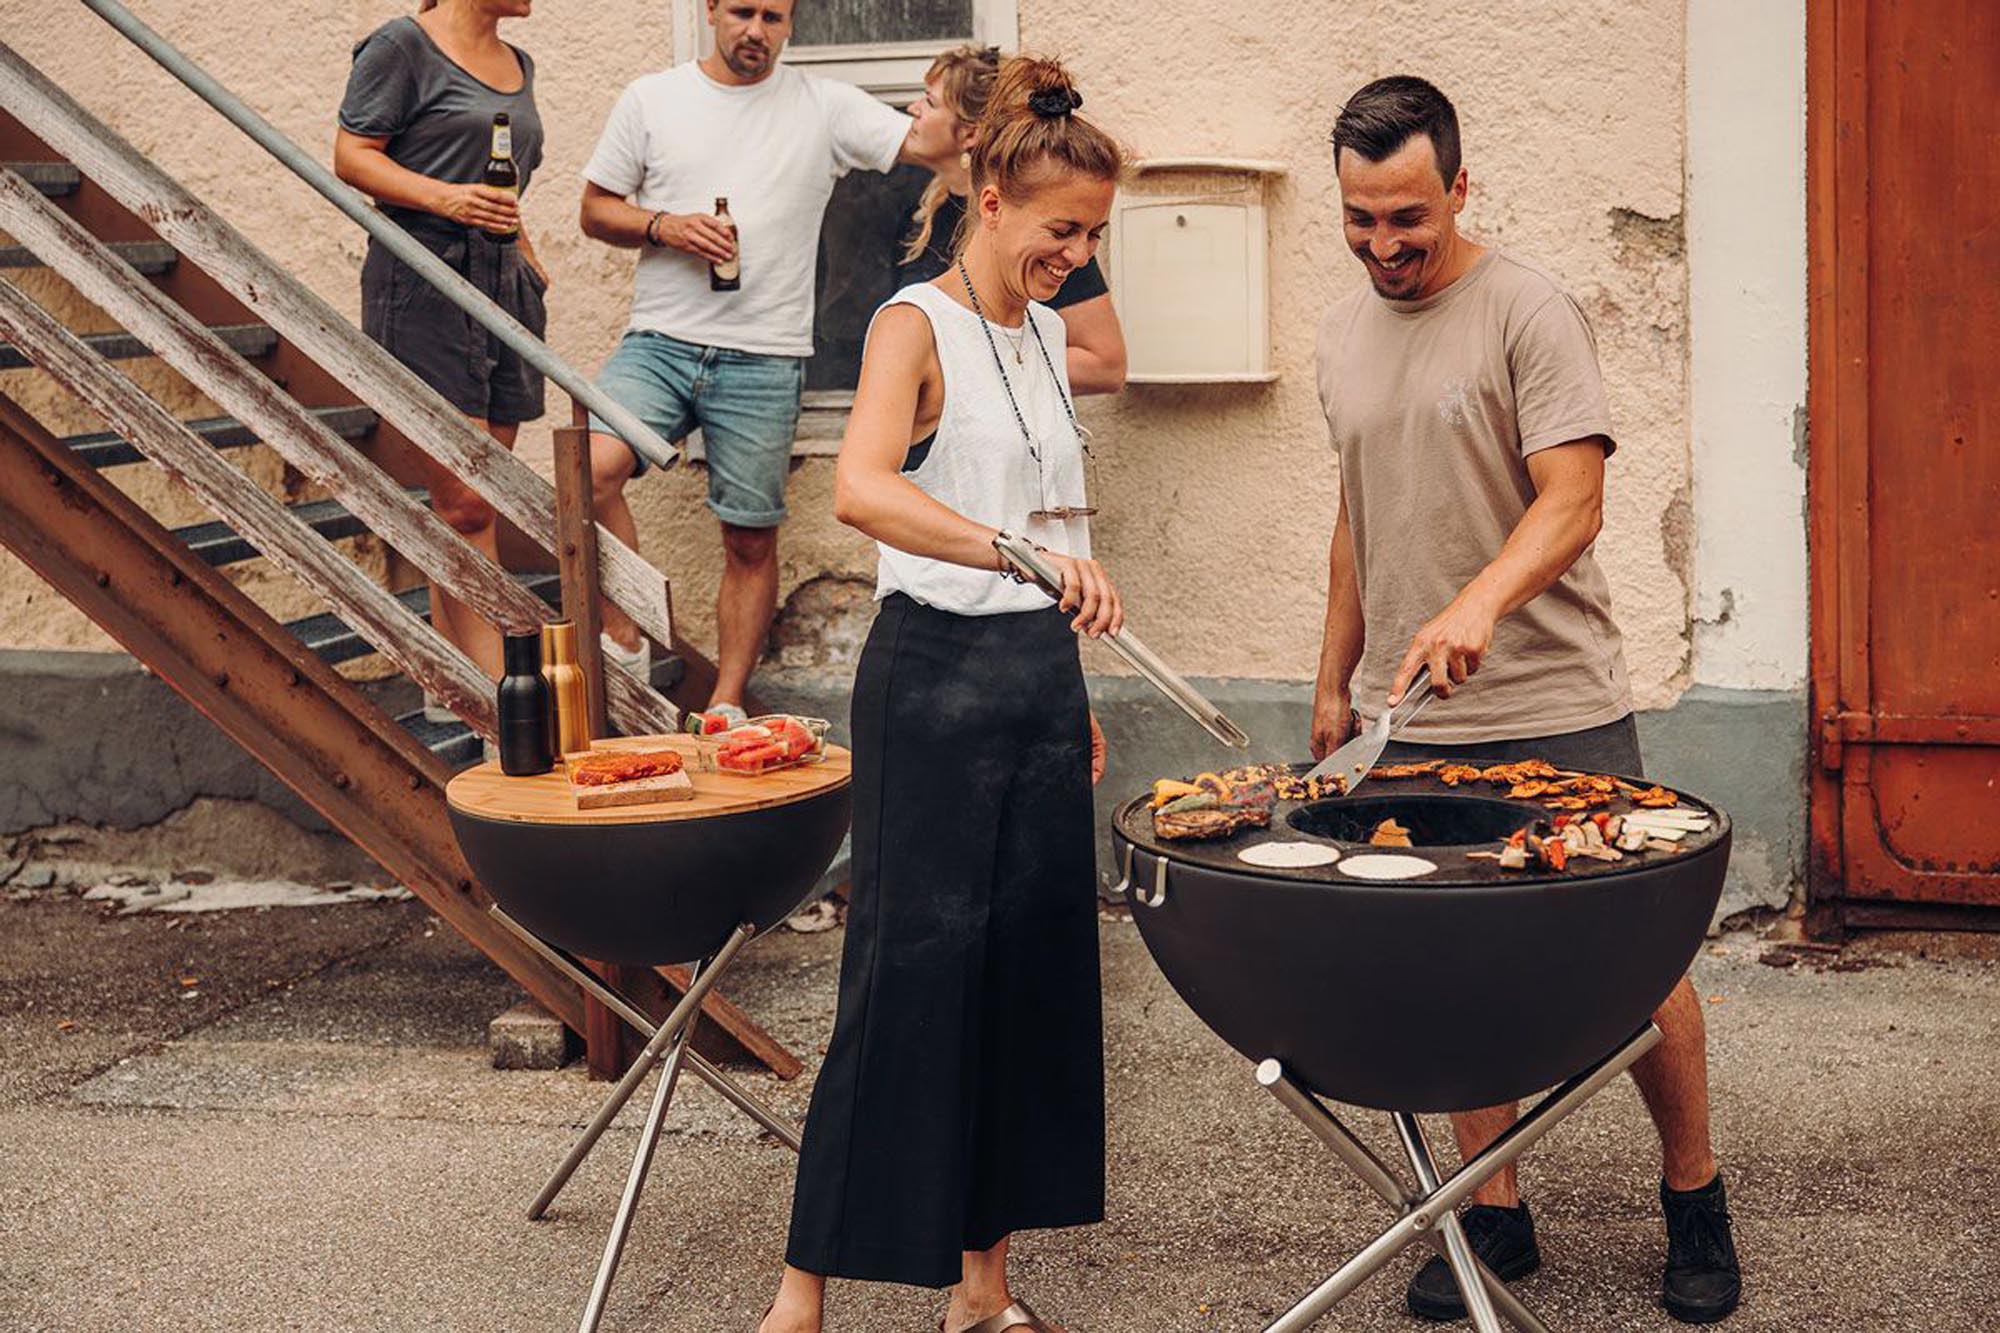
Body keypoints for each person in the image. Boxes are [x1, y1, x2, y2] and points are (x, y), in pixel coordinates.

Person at [1308, 76, 1742, 1324]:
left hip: (1551, 697)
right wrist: (1331, 674)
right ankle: (1490, 1212)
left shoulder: (1526, 311)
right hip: (1409, 711)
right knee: (1443, 969)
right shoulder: (1341, 334)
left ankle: (1692, 1195)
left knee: (1635, 962)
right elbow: (1354, 518)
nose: (1384, 245)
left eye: (1407, 217)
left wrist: (1478, 605)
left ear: (1457, 187)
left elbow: (1572, 499)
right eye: (1358, 219)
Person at [756, 56, 1122, 1333]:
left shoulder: (1035, 334)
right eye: (1058, 230)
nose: (1074, 257)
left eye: (1090, 236)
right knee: (902, 979)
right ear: (987, 197)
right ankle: (798, 1296)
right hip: (929, 680)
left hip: (1033, 681)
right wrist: (1019, 556)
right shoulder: (916, 322)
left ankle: (983, 1292)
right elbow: (862, 487)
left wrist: (1065, 680)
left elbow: (1045, 513)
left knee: (1020, 987)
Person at [577, 0, 946, 721]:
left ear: (791, 24)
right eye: (742, 11)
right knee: (589, 473)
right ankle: (622, 635)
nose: (757, 30)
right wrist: (664, 226)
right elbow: (594, 210)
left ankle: (724, 702)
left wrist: (980, 114)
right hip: (660, 339)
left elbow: (932, 147)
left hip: (766, 355)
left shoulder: (823, 107)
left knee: (749, 536)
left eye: (774, 17)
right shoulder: (653, 99)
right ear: (711, 10)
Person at [335, 0, 549, 686]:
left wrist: (529, 256)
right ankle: (502, 699)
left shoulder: (521, 65)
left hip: (502, 285)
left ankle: (449, 679)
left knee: (474, 501)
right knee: (466, 502)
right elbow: (350, 155)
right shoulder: (401, 46)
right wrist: (447, 200)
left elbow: (504, 182)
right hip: (423, 282)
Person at [901, 45, 1127, 394]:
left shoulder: (1043, 228)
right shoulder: (931, 209)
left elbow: (1107, 366)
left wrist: (958, 369)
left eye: (930, 102)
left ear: (970, 133)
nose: (912, 109)